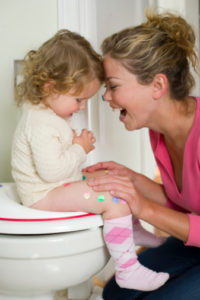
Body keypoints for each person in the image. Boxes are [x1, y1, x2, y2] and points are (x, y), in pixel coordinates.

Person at [11, 29, 168, 292]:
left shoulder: (46, 115)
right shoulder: (39, 122)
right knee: (113, 199)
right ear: (50, 85)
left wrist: (71, 145)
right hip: (42, 194)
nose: (82, 107)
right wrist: (78, 148)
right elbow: (51, 172)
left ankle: (133, 229)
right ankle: (128, 268)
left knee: (114, 181)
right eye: (79, 99)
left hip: (54, 185)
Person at [83, 10, 200, 300]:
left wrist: (144, 208)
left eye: (113, 86)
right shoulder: (158, 131)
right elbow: (185, 200)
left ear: (158, 86)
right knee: (117, 294)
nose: (107, 97)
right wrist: (131, 180)